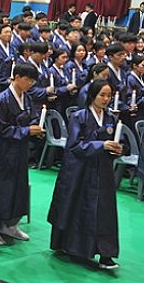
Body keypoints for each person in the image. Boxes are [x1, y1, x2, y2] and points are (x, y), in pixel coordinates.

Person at [48, 80, 124, 270]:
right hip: (80, 171)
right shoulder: (79, 116)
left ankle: (106, 254)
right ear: (92, 95)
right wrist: (101, 145)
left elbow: (118, 140)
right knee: (77, 208)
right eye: (102, 95)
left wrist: (118, 148)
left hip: (103, 172)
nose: (106, 99)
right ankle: (73, 248)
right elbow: (74, 146)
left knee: (104, 212)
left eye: (109, 96)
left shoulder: (111, 118)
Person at [0, 63, 43, 245]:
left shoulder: (26, 98)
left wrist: (35, 127)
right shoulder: (2, 100)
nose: (29, 84)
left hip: (20, 150)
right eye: (27, 80)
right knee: (0, 187)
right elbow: (2, 129)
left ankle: (11, 224)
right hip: (3, 150)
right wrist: (27, 131)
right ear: (16, 77)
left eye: (32, 81)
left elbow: (32, 117)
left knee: (18, 185)